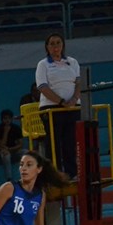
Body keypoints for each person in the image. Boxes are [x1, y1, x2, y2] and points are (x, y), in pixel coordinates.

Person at [36, 32, 81, 177]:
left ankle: (71, 174)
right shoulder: (43, 64)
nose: (55, 46)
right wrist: (61, 102)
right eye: (52, 43)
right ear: (47, 47)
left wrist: (74, 99)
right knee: (53, 143)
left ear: (63, 45)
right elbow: (42, 87)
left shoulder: (72, 62)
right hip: (51, 109)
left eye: (58, 43)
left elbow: (78, 83)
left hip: (72, 107)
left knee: (70, 142)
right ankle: (55, 175)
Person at [0, 109, 27, 181]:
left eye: (9, 118)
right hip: (0, 154)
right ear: (2, 119)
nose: (7, 120)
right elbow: (1, 145)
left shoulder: (16, 128)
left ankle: (27, 176)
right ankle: (9, 178)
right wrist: (6, 132)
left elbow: (20, 144)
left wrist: (10, 149)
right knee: (6, 155)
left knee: (26, 153)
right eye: (5, 118)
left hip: (13, 151)